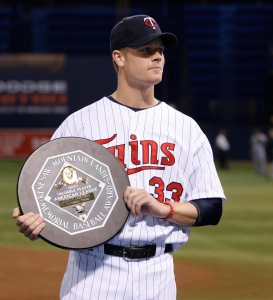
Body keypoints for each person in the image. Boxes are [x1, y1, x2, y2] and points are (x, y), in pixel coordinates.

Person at [13, 15, 226, 300]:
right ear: (119, 57)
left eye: (160, 51)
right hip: (91, 275)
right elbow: (50, 196)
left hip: (158, 275)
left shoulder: (186, 128)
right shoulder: (80, 124)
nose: (157, 58)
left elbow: (211, 208)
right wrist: (35, 220)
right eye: (146, 50)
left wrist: (165, 209)